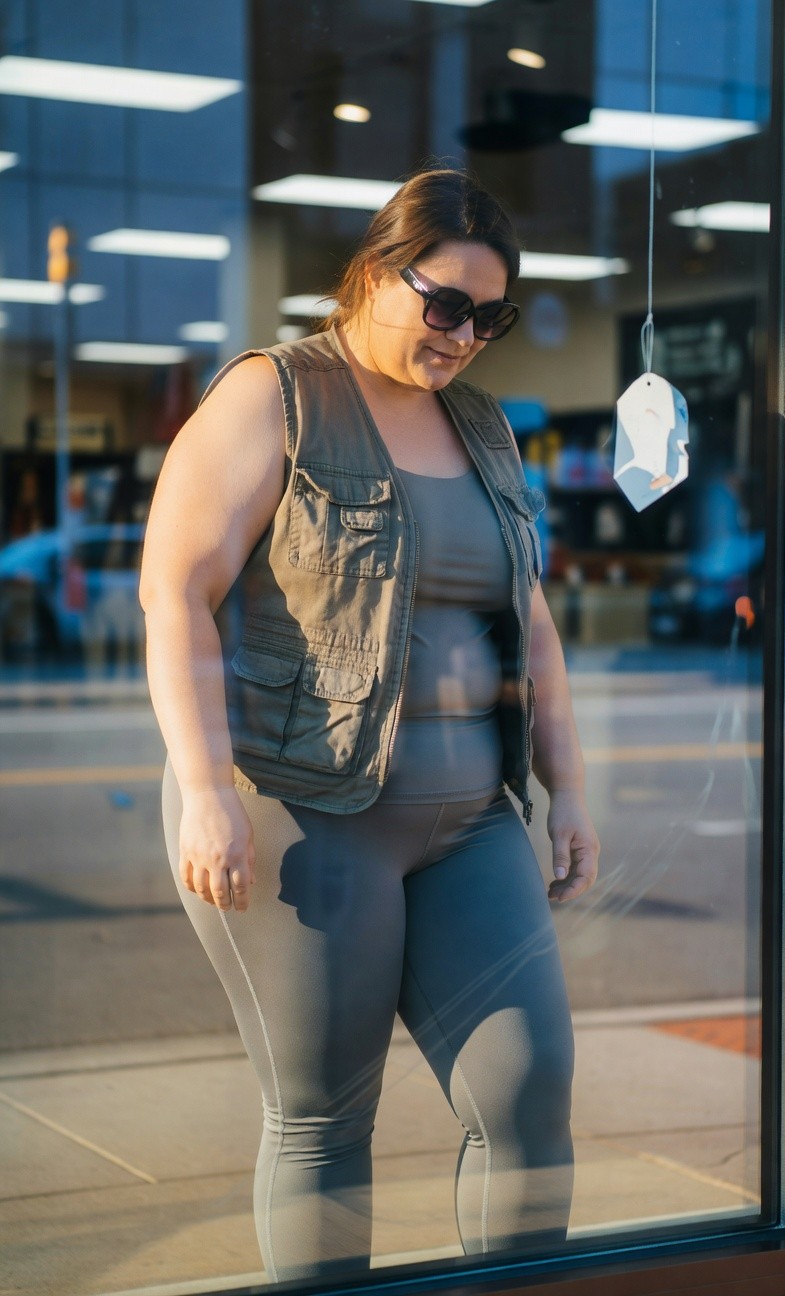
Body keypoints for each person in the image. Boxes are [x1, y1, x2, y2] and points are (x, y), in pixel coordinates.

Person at [140, 168, 600, 1284]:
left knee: (529, 1090)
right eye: (445, 304)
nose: (465, 336)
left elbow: (529, 623)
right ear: (375, 272)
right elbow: (177, 593)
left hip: (471, 820)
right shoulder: (276, 394)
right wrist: (203, 790)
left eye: (488, 319)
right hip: (307, 808)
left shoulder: (481, 426)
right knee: (325, 1121)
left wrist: (568, 787)